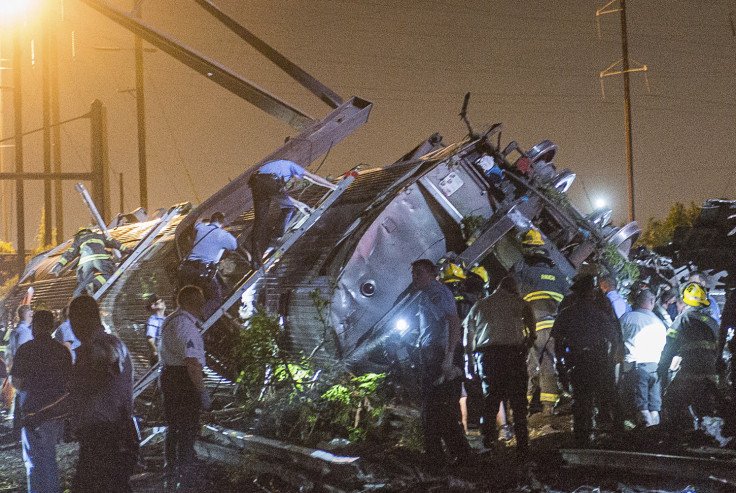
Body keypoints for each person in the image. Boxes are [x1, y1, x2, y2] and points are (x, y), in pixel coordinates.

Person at [68, 295, 135, 492]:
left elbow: (103, 368)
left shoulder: (107, 344)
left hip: (106, 435)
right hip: (100, 434)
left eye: (73, 319)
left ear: (83, 319)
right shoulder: (101, 345)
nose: (72, 326)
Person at [464, 276, 536, 455]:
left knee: (491, 400)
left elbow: (469, 336)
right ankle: (523, 444)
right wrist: (528, 341)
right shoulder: (519, 302)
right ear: (513, 288)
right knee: (518, 402)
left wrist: (470, 362)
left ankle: (489, 442)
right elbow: (531, 325)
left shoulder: (479, 305)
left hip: (488, 357)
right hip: (513, 355)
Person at [409, 259, 471, 465]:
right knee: (436, 410)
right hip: (433, 356)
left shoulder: (437, 293)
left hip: (439, 356)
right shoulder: (427, 295)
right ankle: (447, 457)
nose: (414, 277)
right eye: (413, 274)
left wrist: (449, 357)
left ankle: (452, 457)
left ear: (431, 274)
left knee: (439, 409)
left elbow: (453, 322)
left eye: (419, 273)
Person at [552, 275, 624, 445]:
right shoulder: (600, 313)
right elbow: (615, 338)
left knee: (581, 400)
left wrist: (561, 365)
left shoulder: (566, 314)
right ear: (590, 294)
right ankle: (617, 433)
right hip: (598, 360)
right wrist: (613, 359)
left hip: (577, 362)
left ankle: (582, 436)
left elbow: (557, 342)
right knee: (610, 396)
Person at [10, 310, 72, 493]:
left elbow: (17, 382)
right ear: (52, 326)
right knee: (49, 457)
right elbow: (69, 381)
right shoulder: (61, 351)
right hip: (57, 411)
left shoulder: (26, 349)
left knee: (34, 461)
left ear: (35, 325)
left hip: (33, 411)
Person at [513, 230, 570, 415]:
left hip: (533, 328)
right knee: (548, 365)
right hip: (554, 329)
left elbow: (514, 298)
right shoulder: (559, 274)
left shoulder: (523, 270)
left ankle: (522, 410)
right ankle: (548, 408)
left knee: (529, 367)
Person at [159, 285, 210, 488]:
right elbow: (192, 363)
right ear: (192, 302)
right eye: (200, 299)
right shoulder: (185, 325)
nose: (204, 303)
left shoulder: (172, 320)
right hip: (182, 380)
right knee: (187, 425)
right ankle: (186, 470)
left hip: (170, 377)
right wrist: (202, 391)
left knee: (175, 425)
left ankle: (172, 467)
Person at [658, 282, 720, 430]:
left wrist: (662, 367)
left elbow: (670, 345)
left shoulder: (684, 318)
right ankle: (705, 436)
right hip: (711, 373)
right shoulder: (711, 322)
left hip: (691, 370)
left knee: (672, 400)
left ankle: (680, 435)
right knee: (705, 408)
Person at [248, 159, 337, 262]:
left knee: (260, 221)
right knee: (289, 208)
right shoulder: (293, 166)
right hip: (268, 181)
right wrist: (332, 186)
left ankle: (256, 259)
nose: (293, 181)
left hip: (256, 182)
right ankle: (276, 236)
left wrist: (299, 204)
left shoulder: (278, 170)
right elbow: (313, 178)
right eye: (296, 179)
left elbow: (282, 196)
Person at [619, 289, 667, 427]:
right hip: (655, 369)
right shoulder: (659, 323)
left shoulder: (627, 318)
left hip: (637, 369)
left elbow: (617, 341)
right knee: (654, 408)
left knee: (642, 407)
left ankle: (646, 437)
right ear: (652, 301)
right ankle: (656, 437)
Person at [177, 212, 237, 319]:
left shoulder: (201, 228)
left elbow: (197, 222)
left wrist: (202, 215)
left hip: (188, 269)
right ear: (222, 224)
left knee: (190, 298)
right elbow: (234, 245)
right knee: (216, 298)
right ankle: (201, 317)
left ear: (211, 220)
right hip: (202, 273)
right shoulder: (222, 234)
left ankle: (187, 316)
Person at [50, 227, 128, 297]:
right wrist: (128, 250)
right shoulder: (99, 236)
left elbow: (71, 252)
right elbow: (114, 243)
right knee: (113, 274)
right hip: (100, 259)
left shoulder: (78, 239)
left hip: (84, 263)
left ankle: (77, 301)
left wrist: (59, 264)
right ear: (90, 232)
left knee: (82, 283)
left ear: (79, 234)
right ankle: (94, 284)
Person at [7, 305, 34, 430]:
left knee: (19, 397)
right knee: (25, 397)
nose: (32, 313)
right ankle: (24, 425)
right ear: (24, 314)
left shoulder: (15, 331)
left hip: (17, 368)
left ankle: (18, 426)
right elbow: (25, 352)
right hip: (25, 369)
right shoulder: (25, 332)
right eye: (30, 311)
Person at [145, 295, 166, 365]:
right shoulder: (153, 320)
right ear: (153, 306)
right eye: (159, 302)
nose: (162, 303)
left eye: (162, 301)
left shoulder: (166, 318)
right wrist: (156, 353)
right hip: (161, 358)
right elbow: (151, 340)